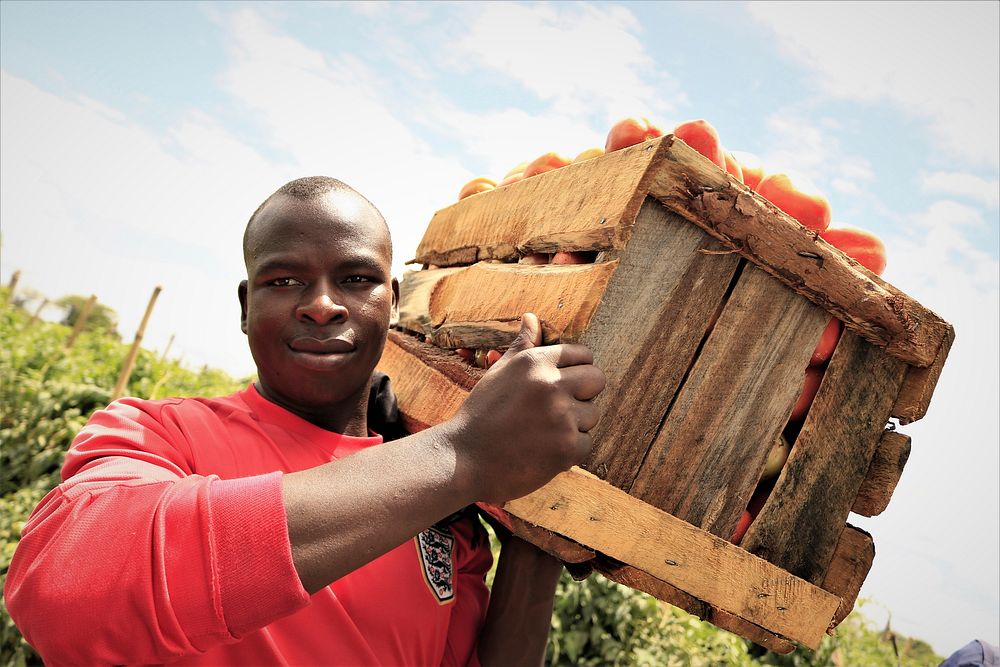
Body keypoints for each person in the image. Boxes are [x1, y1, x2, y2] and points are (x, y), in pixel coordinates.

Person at [4, 176, 607, 665]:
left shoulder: (448, 517)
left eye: (357, 279)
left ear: (391, 305)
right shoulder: (158, 434)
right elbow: (63, 595)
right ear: (247, 306)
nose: (322, 303)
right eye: (285, 279)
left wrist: (539, 528)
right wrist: (463, 454)